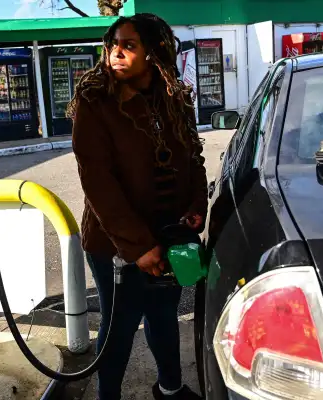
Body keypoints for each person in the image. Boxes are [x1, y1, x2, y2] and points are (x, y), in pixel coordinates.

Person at [67, 13, 207, 400]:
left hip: (170, 233)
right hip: (117, 243)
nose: (116, 53)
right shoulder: (95, 103)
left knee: (164, 314)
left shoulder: (176, 97)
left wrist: (196, 206)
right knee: (120, 325)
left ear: (155, 51)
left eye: (129, 45)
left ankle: (171, 388)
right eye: (113, 44)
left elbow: (194, 158)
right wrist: (139, 247)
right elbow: (97, 182)